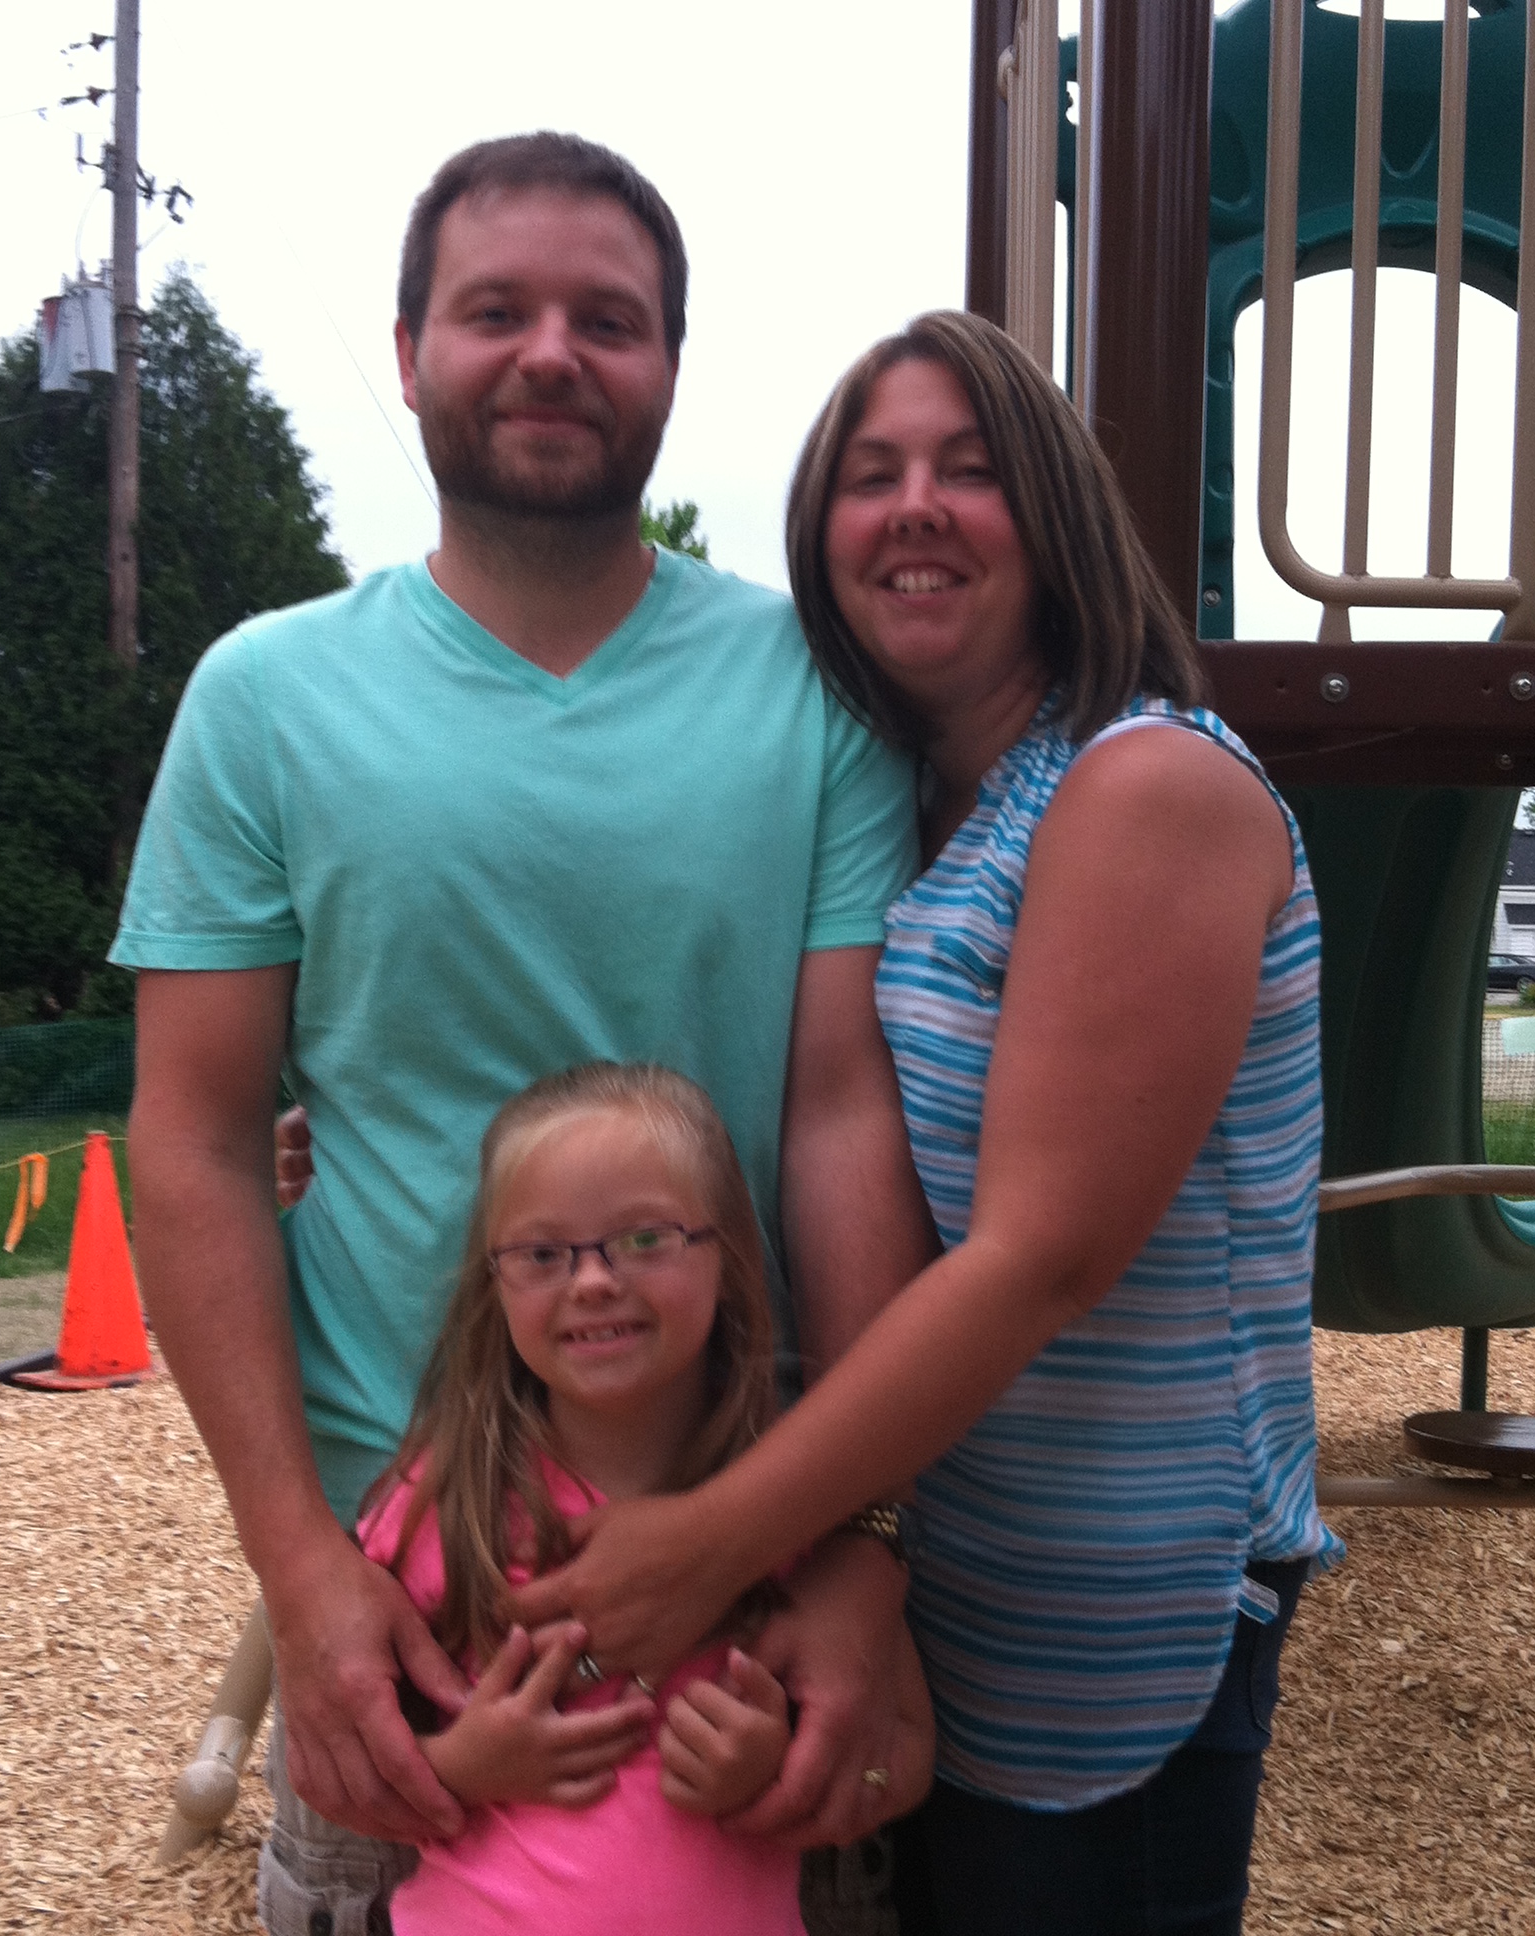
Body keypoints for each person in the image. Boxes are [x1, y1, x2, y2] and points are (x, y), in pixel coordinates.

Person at [112, 132, 932, 1936]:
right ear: (410, 353)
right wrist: (301, 1572)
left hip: (749, 1571)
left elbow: (839, 1116)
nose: (553, 352)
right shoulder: (266, 700)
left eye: (608, 320)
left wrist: (864, 1548)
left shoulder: (816, 694)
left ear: (670, 367)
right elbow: (193, 1140)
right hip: (406, 1608)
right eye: (497, 311)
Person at [512, 310, 1342, 1936]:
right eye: (870, 473)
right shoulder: (929, 804)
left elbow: (1042, 1257)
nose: (913, 508)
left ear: (1056, 516)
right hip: (944, 1562)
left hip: (1120, 1601)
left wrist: (715, 1539)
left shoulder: (1144, 787)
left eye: (969, 471)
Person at [357, 1061, 933, 1935]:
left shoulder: (793, 1503)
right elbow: (347, 1764)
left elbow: (908, 1752)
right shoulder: (448, 1500)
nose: (593, 1281)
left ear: (726, 1258)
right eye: (542, 1254)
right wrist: (463, 1767)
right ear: (493, 1282)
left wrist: (775, 1770)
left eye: (644, 1239)